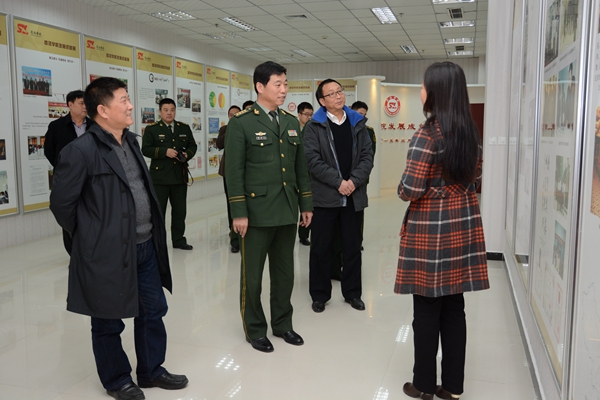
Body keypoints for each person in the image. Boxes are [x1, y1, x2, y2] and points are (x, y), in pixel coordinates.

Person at [49, 77, 187, 400]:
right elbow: (62, 205)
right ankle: (117, 380)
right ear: (102, 110)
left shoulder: (131, 142)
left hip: (145, 246)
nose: (130, 106)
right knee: (107, 319)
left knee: (153, 310)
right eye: (123, 100)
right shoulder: (80, 151)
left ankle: (151, 370)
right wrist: (92, 237)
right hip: (106, 252)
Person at [396, 62, 489, 400]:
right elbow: (475, 178)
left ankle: (423, 385)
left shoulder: (426, 134)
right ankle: (452, 387)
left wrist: (411, 188)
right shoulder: (470, 132)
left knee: (425, 310)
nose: (421, 91)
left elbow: (410, 189)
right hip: (462, 226)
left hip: (431, 231)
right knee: (454, 308)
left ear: (435, 92)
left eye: (423, 86)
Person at [225, 61, 313, 353]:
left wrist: (306, 203)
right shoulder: (242, 123)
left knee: (285, 274)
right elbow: (234, 172)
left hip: (286, 210)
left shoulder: (290, 122)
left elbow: (300, 168)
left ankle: (283, 324)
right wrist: (239, 212)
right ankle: (254, 329)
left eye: (286, 84)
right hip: (256, 213)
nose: (284, 89)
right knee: (252, 277)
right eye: (278, 84)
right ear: (260, 87)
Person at [303, 79, 373, 313]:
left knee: (352, 247)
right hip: (325, 198)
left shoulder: (358, 123)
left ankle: (352, 293)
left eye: (340, 91)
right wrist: (338, 182)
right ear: (322, 101)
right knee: (321, 249)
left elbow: (367, 157)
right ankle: (320, 295)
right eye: (331, 94)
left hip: (353, 196)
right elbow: (312, 161)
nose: (338, 96)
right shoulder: (314, 126)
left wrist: (353, 182)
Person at [142, 98, 197, 250]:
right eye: (166, 110)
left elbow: (192, 146)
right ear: (160, 112)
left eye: (172, 110)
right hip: (160, 179)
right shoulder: (152, 129)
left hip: (179, 177)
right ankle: (158, 241)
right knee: (159, 212)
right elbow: (145, 149)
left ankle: (179, 240)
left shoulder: (183, 128)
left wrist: (187, 154)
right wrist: (164, 151)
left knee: (180, 211)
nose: (169, 113)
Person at [44, 90, 94, 255]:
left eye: (87, 103)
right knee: (69, 213)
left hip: (91, 179)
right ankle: (74, 253)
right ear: (70, 105)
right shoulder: (57, 126)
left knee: (92, 212)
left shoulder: (94, 127)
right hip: (67, 181)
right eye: (81, 103)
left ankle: (91, 251)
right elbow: (49, 151)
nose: (85, 106)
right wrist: (64, 170)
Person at [217, 105, 242, 253]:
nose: (233, 117)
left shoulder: (246, 127)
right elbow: (219, 144)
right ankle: (234, 236)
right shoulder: (225, 129)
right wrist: (231, 128)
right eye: (231, 115)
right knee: (231, 203)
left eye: (236, 114)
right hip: (228, 172)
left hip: (244, 171)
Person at [297, 101, 314, 246]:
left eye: (310, 115)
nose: (308, 117)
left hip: (311, 173)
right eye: (306, 114)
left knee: (309, 204)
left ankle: (305, 234)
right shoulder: (292, 129)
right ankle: (300, 233)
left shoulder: (314, 129)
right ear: (299, 114)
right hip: (297, 173)